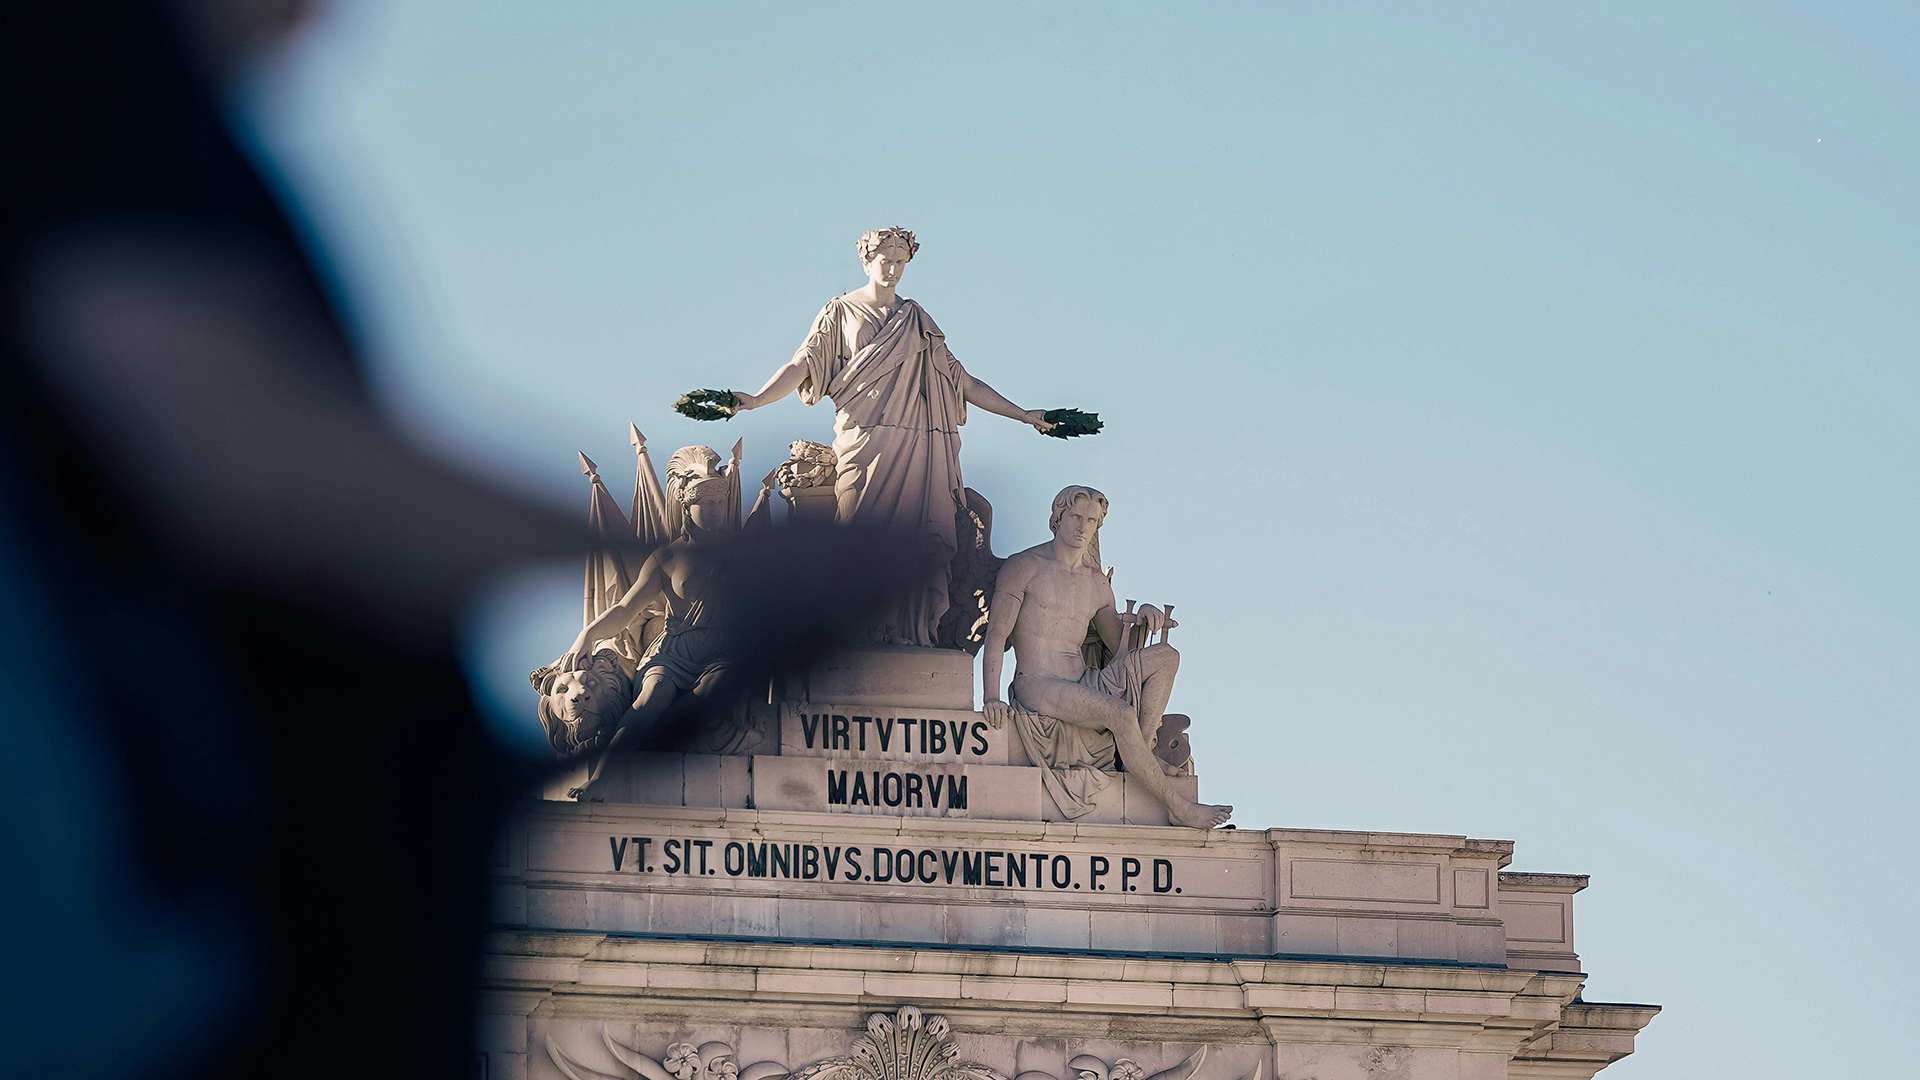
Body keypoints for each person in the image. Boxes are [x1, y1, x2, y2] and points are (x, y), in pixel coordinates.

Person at [719, 227, 1059, 646]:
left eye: (901, 262)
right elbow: (803, 365)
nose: (894, 270)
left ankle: (913, 636)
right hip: (864, 443)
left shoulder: (916, 321)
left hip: (918, 444)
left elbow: (963, 382)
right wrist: (754, 399)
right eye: (887, 261)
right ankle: (858, 631)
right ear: (867, 261)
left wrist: (1024, 415)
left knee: (919, 542)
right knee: (860, 532)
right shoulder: (839, 313)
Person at [981, 486, 1232, 829]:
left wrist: (1144, 618)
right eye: (1075, 517)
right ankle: (1178, 806)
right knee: (1119, 712)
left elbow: (1122, 649)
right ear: (1056, 518)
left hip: (1084, 680)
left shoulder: (1097, 584)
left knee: (1166, 656)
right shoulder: (1024, 567)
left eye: (1091, 521)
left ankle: (1140, 748)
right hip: (1038, 683)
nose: (1083, 527)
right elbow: (995, 634)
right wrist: (991, 697)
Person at [538, 449, 737, 797]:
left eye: (720, 501)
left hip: (718, 651)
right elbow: (626, 608)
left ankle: (667, 740)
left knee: (715, 689)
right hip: (674, 651)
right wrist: (586, 636)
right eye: (707, 502)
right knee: (649, 700)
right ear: (687, 507)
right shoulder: (667, 557)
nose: (716, 510)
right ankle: (602, 779)